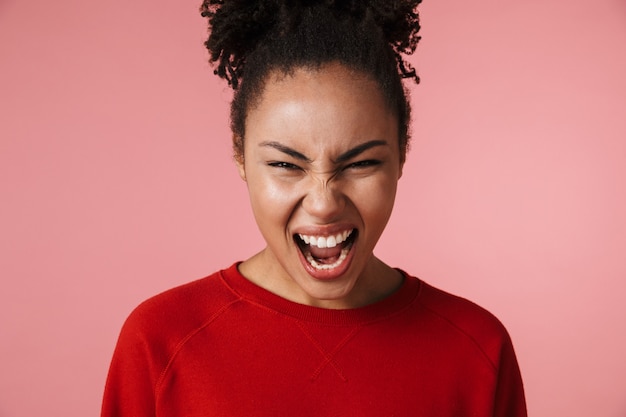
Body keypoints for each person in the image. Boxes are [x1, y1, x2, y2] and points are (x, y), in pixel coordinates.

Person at [101, 1, 527, 416]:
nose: (323, 204)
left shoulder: (477, 350)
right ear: (240, 156)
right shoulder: (159, 342)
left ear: (401, 153)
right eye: (286, 165)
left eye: (360, 163)